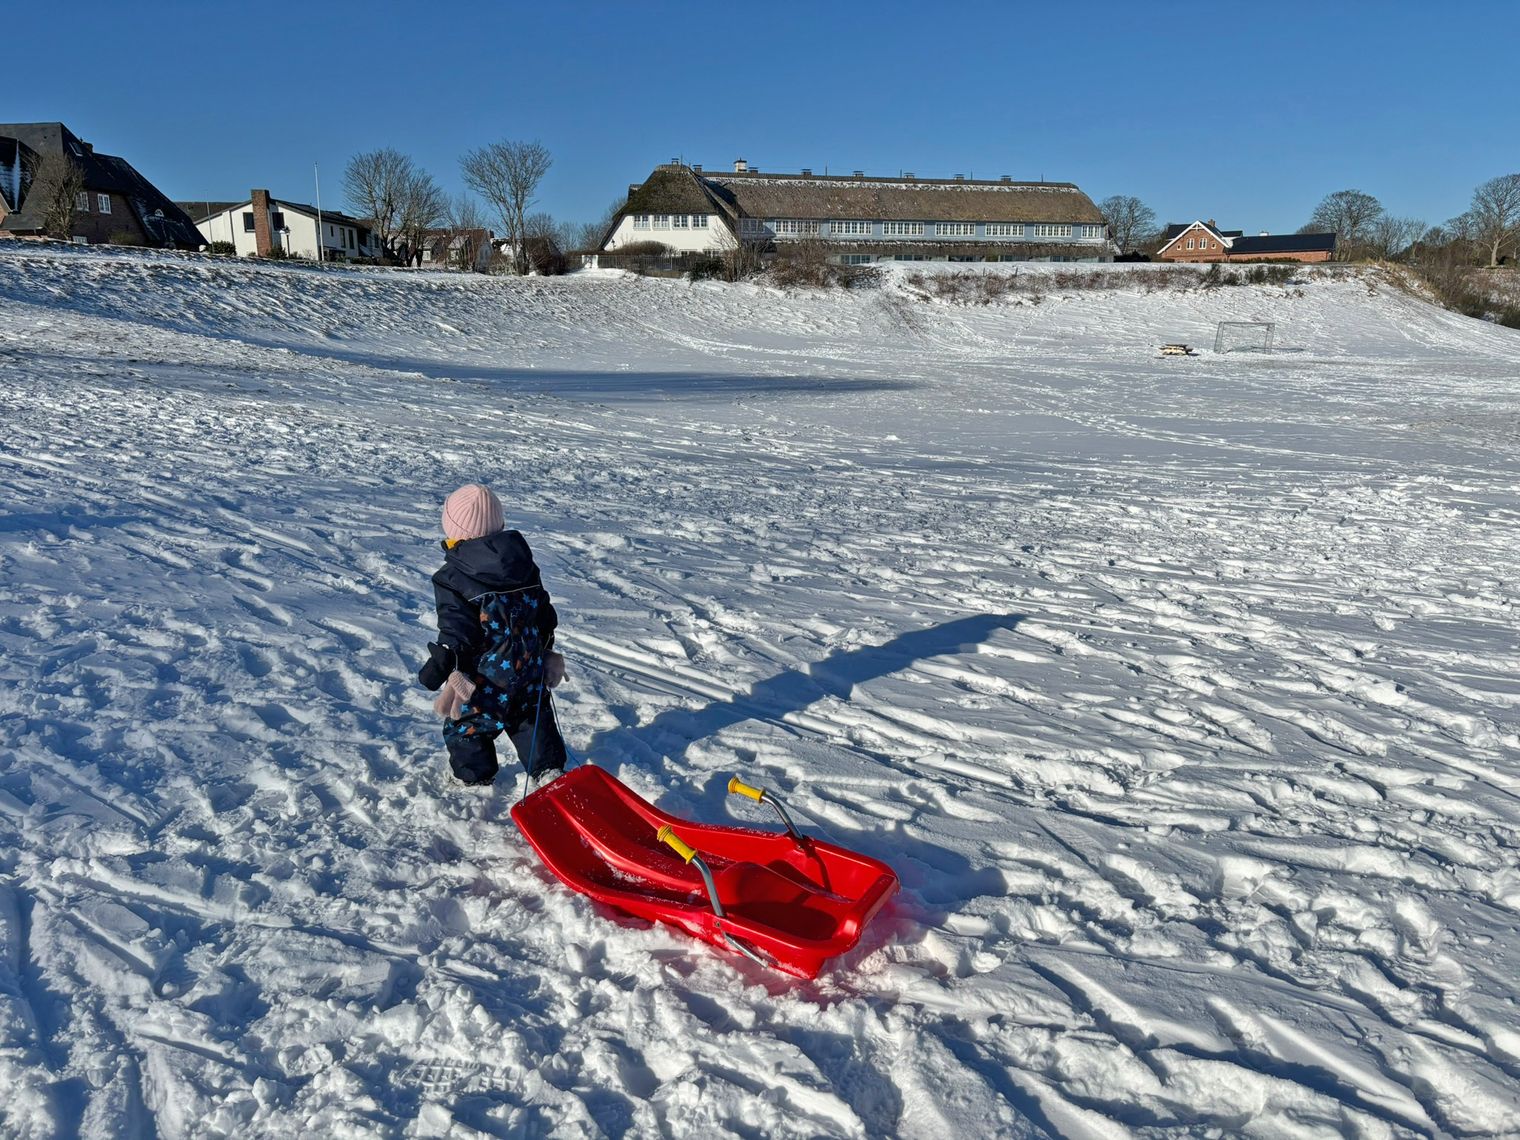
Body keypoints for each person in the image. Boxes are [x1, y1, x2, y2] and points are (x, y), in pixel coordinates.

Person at [418, 483, 568, 787]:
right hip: (528, 668)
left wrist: (443, 667)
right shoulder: (522, 563)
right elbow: (542, 615)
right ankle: (548, 770)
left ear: (454, 529)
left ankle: (473, 780)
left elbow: (458, 633)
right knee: (530, 717)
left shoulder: (452, 578)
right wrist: (548, 650)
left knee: (467, 728)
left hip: (486, 678)